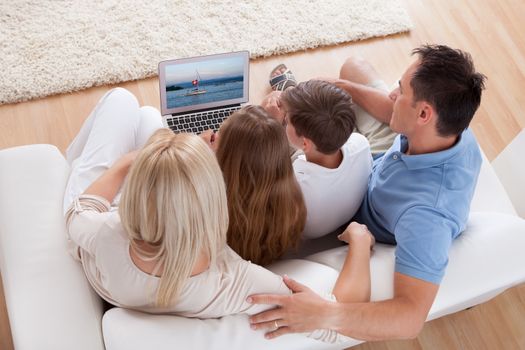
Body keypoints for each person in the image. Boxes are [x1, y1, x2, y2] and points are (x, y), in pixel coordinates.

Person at [62, 88, 374, 342]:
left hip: (106, 266)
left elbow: (78, 215)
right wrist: (358, 240)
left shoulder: (111, 231)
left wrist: (133, 162)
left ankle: (73, 163)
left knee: (124, 101)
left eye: (214, 139)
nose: (209, 132)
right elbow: (339, 320)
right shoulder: (233, 281)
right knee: (146, 118)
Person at [248, 45, 486, 340]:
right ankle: (301, 108)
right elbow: (392, 112)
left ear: (424, 113)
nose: (392, 95)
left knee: (278, 145)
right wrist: (341, 87)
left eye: (400, 91)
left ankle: (290, 115)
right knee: (354, 66)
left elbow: (410, 319)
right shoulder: (449, 125)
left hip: (358, 199)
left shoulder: (427, 217)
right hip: (380, 157)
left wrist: (322, 314)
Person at [261, 79, 373, 239]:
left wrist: (271, 123)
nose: (285, 121)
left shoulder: (292, 186)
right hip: (334, 209)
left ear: (305, 143)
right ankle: (294, 99)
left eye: (287, 120)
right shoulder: (361, 144)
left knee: (264, 117)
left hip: (303, 225)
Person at [202, 105, 306, 266]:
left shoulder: (211, 205)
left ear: (229, 159)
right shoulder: (293, 202)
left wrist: (200, 155)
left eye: (218, 136)